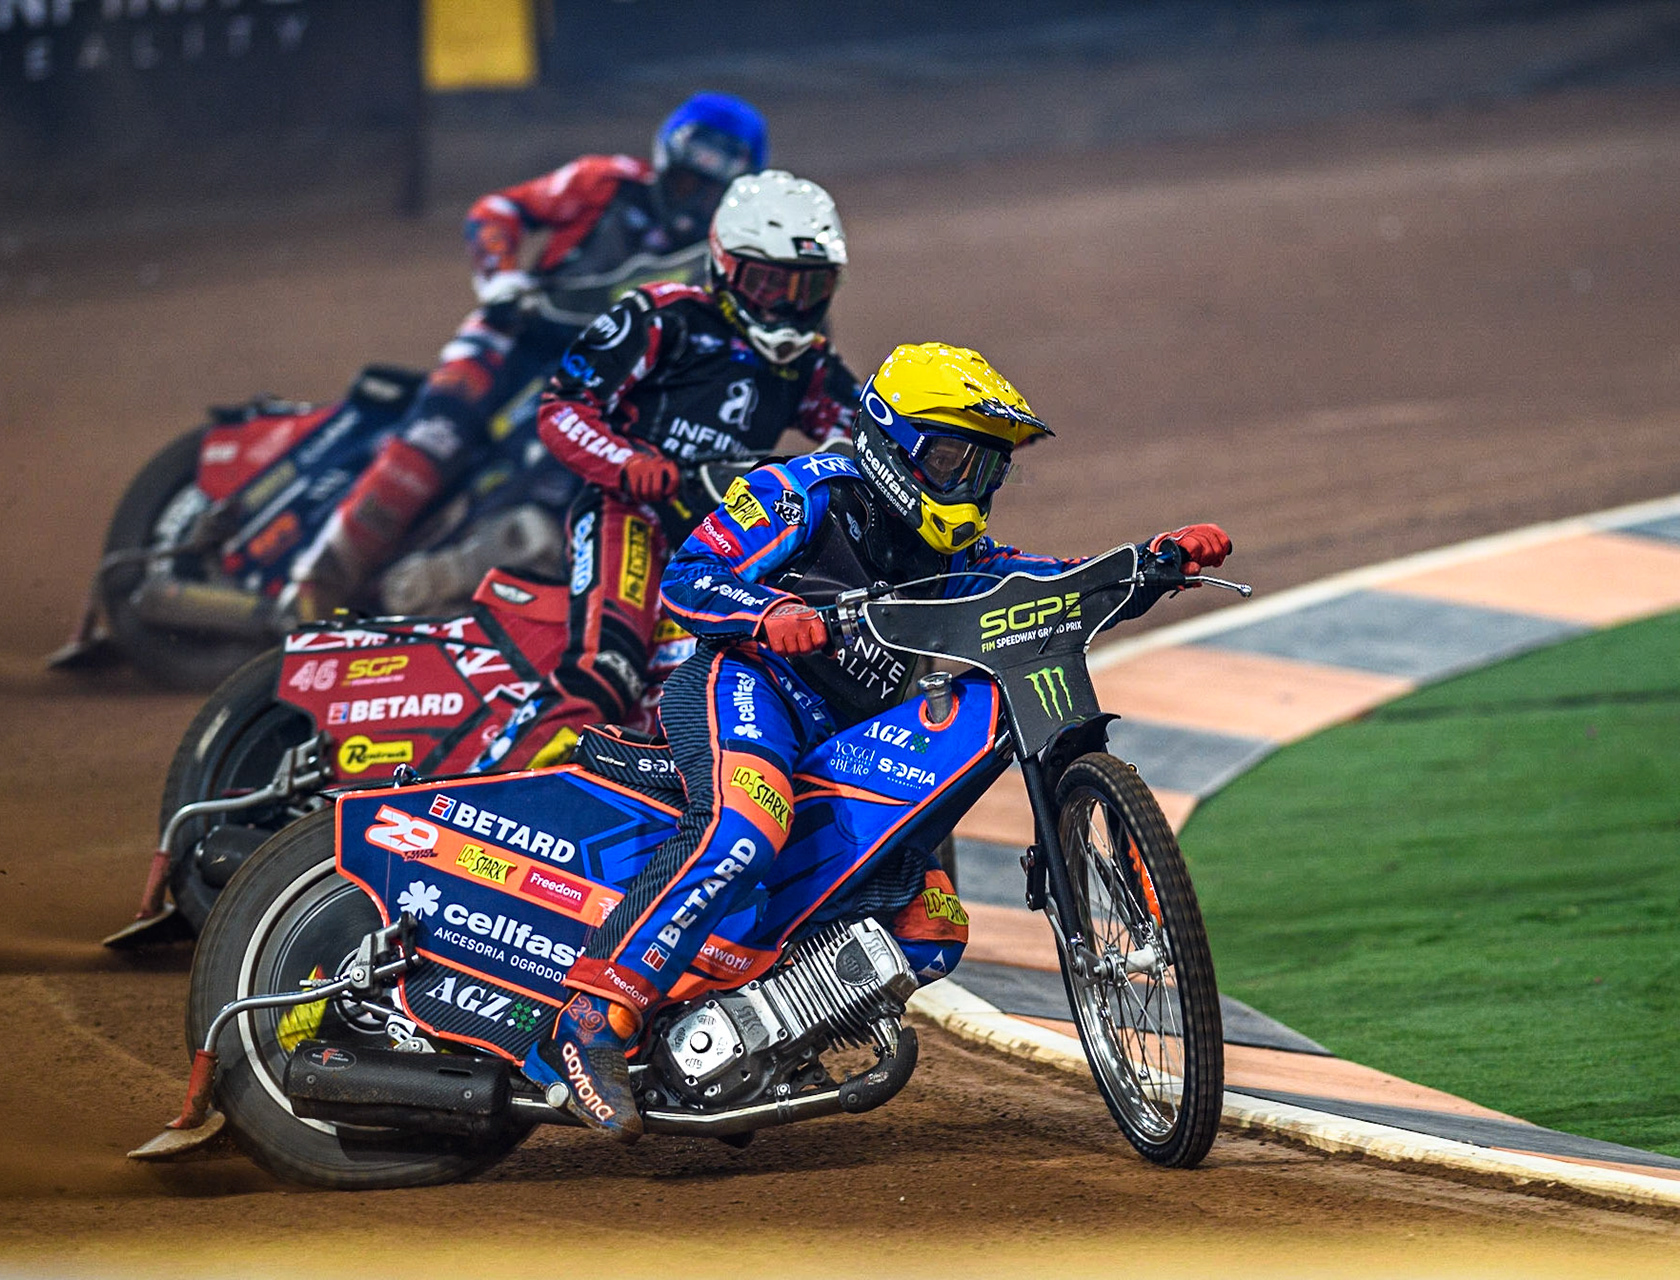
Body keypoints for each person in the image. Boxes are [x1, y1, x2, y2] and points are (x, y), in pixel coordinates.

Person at [521, 341, 1234, 1140]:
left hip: (843, 736)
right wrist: (765, 612)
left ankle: (751, 1044)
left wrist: (1152, 562)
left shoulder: (957, 555)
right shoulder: (805, 491)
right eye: (954, 458)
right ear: (893, 442)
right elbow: (688, 576)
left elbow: (1049, 583)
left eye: (987, 468)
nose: (969, 484)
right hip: (747, 688)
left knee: (932, 927)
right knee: (745, 823)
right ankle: (590, 1017)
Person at [281, 92, 771, 621]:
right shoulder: (605, 182)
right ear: (664, 159)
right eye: (684, 182)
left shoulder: (724, 255)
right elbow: (499, 210)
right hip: (514, 338)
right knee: (431, 442)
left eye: (707, 192)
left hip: (598, 383)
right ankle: (314, 584)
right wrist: (501, 279)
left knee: (568, 512)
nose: (691, 200)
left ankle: (423, 599)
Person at [472, 168, 860, 772]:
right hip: (631, 514)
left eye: (807, 289)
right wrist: (627, 462)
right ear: (724, 266)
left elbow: (867, 437)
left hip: (721, 538)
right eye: (768, 283)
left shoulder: (809, 363)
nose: (788, 306)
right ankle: (476, 788)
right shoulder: (663, 315)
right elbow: (563, 405)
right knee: (607, 673)